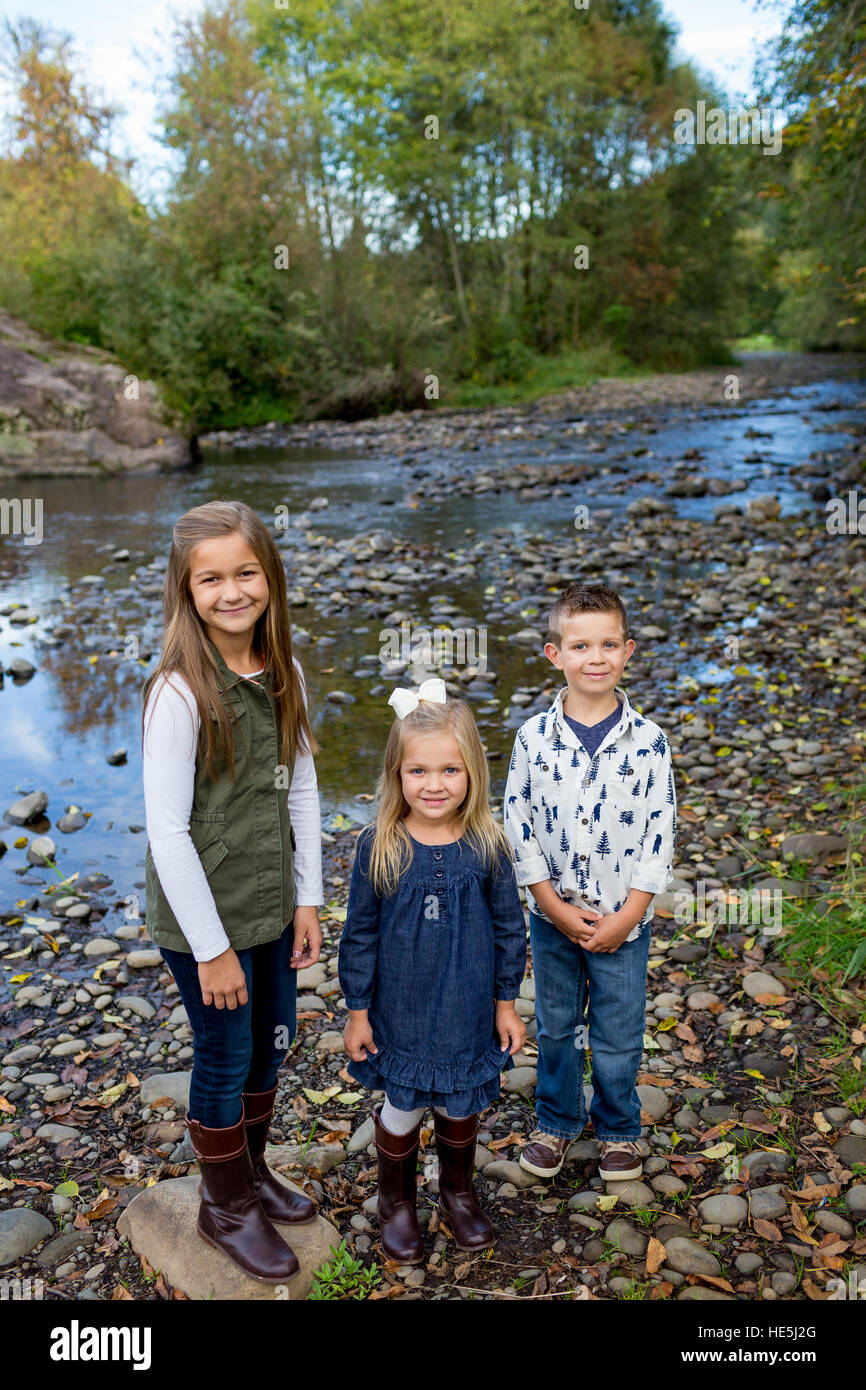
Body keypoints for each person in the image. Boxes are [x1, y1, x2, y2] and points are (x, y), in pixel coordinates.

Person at [141, 499, 324, 1283]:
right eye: (210, 578)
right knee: (223, 1051)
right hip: (202, 922)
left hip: (269, 905)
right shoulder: (179, 693)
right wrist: (212, 952)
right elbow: (167, 832)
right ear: (187, 591)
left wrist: (307, 899)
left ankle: (250, 1172)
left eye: (245, 572)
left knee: (272, 1039)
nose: (230, 591)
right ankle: (221, 1206)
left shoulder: (286, 673)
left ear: (271, 578)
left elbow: (304, 791)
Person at [338, 678, 527, 1264]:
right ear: (396, 775)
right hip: (401, 1011)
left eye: (449, 770)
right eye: (418, 771)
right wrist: (357, 1010)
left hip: (468, 1007)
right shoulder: (380, 845)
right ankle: (395, 1201)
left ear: (472, 772)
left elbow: (508, 929)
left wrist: (505, 1002)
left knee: (460, 1104)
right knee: (403, 1106)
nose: (434, 784)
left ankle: (457, 1190)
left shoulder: (488, 845)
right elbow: (360, 934)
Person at [503, 582, 677, 1184]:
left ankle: (619, 1128)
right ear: (556, 655)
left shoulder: (650, 743)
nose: (595, 658)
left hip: (623, 920)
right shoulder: (532, 738)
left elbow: (659, 832)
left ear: (628, 651)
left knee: (619, 1031)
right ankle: (556, 1119)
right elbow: (518, 824)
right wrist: (547, 903)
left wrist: (629, 915)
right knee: (555, 1024)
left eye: (608, 645)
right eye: (580, 646)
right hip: (553, 918)